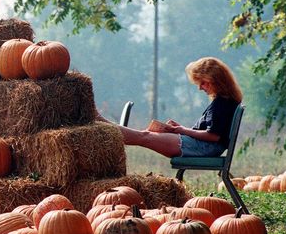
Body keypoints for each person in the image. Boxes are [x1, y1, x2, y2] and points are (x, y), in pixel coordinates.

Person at [100, 57, 242, 158]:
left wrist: (182, 130)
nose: (200, 88)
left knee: (144, 136)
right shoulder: (224, 101)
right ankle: (104, 127)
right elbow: (212, 132)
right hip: (203, 146)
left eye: (203, 83)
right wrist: (180, 129)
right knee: (144, 135)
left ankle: (102, 126)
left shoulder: (223, 103)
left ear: (214, 79)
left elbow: (213, 136)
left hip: (204, 148)